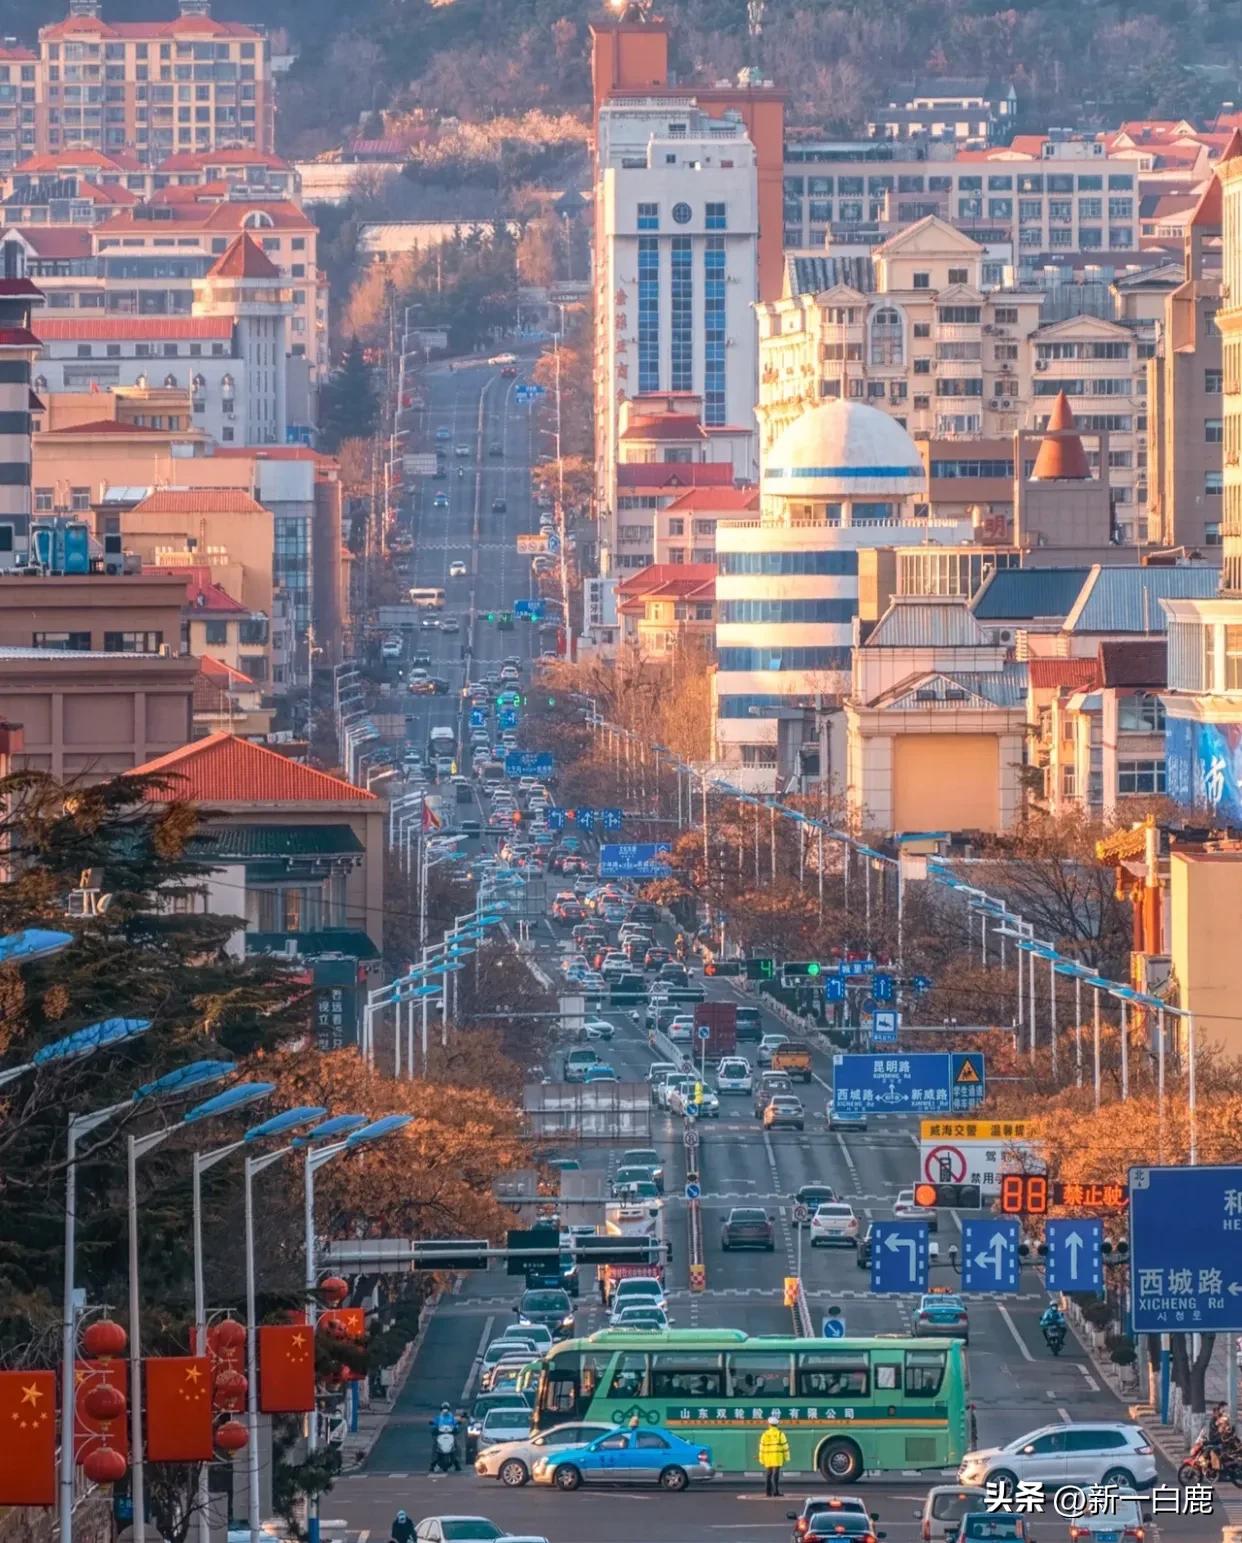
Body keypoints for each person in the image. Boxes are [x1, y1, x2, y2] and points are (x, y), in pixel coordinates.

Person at [758, 1414, 790, 1497]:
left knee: (768, 1475)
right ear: (777, 1425)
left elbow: (761, 1447)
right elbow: (785, 1446)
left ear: (769, 1424)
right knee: (775, 1475)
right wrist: (787, 1457)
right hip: (777, 1458)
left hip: (768, 1458)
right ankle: (775, 1492)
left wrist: (761, 1459)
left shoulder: (765, 1434)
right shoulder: (780, 1434)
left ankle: (768, 1492)